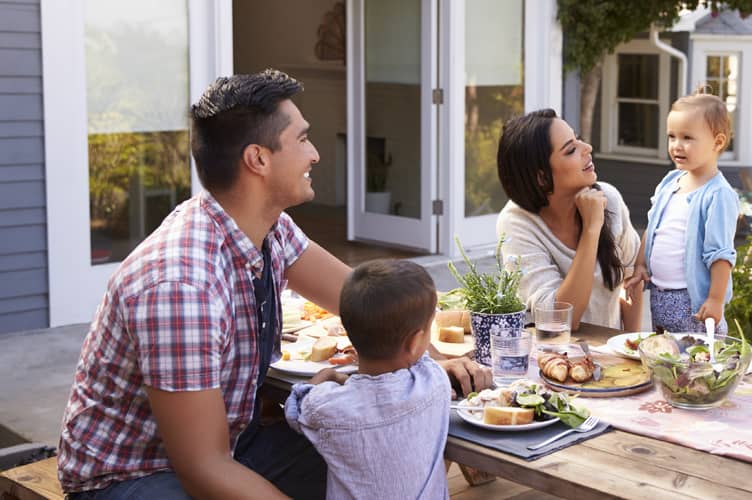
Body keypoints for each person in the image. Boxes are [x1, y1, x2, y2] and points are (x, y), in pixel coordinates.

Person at [57, 69, 491, 499]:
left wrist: (425, 357)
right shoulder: (182, 286)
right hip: (134, 476)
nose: (316, 154)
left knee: (382, 452)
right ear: (258, 159)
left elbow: (361, 297)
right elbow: (203, 469)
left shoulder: (269, 229)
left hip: (232, 446)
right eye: (302, 140)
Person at [285, 259, 450, 500]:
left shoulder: (326, 407)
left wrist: (327, 376)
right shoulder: (434, 382)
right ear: (416, 342)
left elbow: (296, 410)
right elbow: (426, 362)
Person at [495, 109, 642, 330]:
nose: (587, 149)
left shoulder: (609, 199)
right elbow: (560, 319)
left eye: (578, 140)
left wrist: (632, 347)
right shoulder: (517, 222)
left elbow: (631, 282)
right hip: (551, 357)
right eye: (571, 149)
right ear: (542, 177)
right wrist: (592, 229)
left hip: (611, 358)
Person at [626, 89, 740, 334]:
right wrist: (641, 265)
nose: (677, 145)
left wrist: (716, 300)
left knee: (696, 365)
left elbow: (720, 255)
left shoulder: (718, 194)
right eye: (672, 136)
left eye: (687, 137)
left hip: (693, 304)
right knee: (665, 360)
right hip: (660, 295)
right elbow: (653, 225)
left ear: (717, 142)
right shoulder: (671, 181)